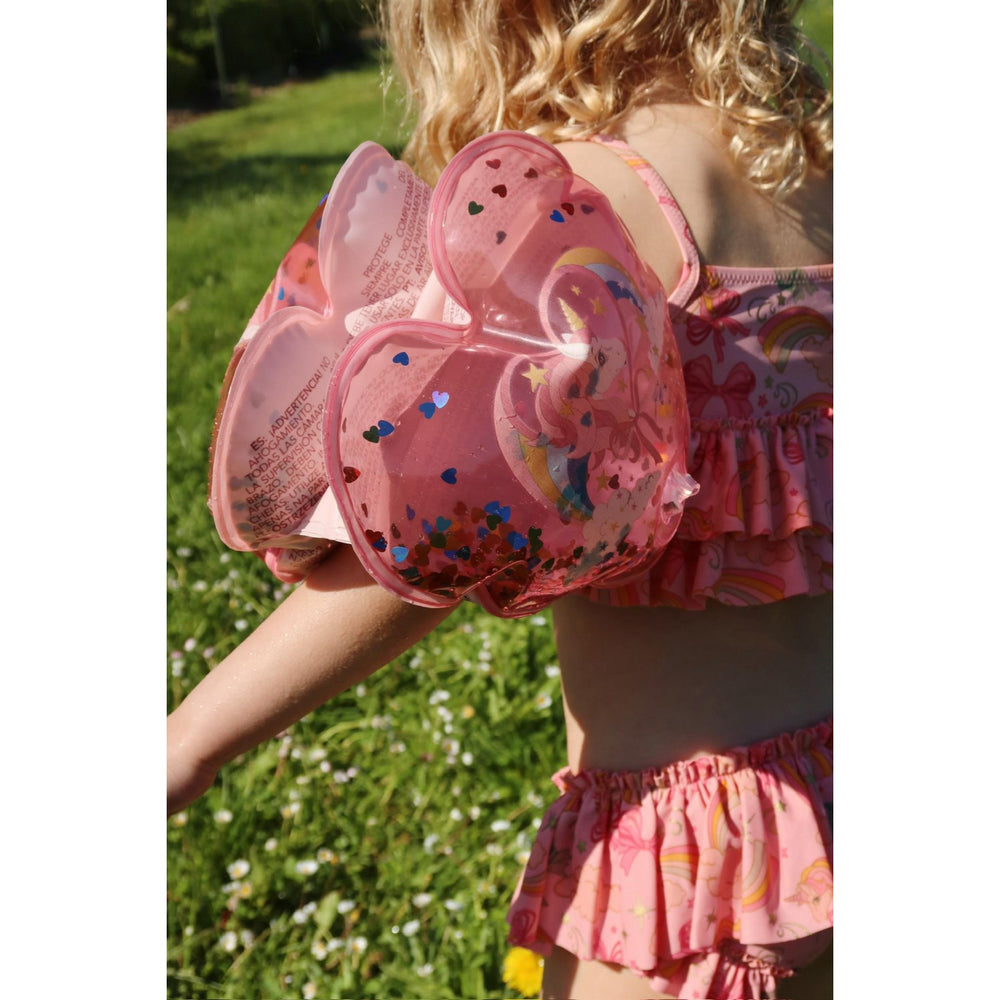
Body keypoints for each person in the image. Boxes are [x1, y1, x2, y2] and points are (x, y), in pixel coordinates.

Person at [168, 2, 833, 997]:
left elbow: (437, 540)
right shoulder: (820, 164)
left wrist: (191, 739)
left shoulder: (569, 212)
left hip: (693, 859)